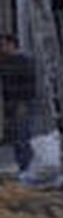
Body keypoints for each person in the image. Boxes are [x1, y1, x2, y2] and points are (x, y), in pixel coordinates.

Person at [0, 32, 36, 175]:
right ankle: (23, 168)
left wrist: (22, 104)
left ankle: (27, 169)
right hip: (11, 105)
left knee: (23, 138)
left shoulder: (23, 61)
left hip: (22, 104)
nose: (1, 48)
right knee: (16, 138)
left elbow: (29, 85)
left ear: (11, 44)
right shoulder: (5, 61)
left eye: (3, 45)